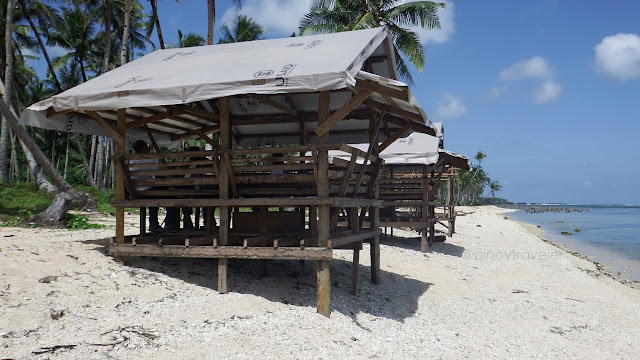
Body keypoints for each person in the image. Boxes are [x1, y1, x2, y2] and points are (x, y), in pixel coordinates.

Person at [130, 140, 163, 233]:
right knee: (169, 192)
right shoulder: (149, 159)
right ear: (144, 148)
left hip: (135, 191)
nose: (149, 148)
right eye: (147, 147)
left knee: (156, 194)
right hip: (147, 190)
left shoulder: (132, 160)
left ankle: (155, 224)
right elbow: (157, 175)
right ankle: (167, 223)